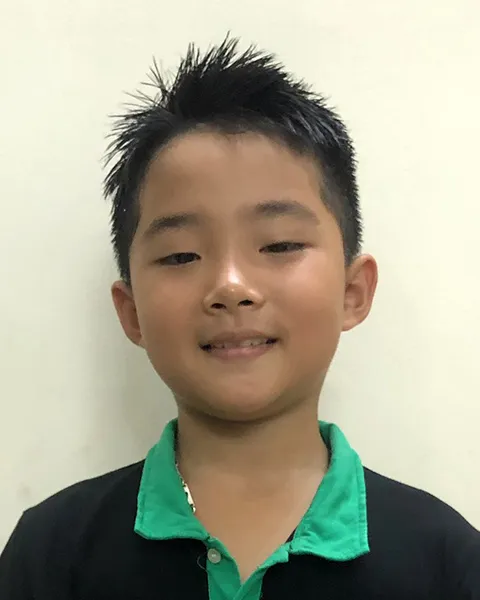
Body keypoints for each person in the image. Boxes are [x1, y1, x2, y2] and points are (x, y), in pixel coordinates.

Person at [0, 36, 478, 600]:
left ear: (353, 292)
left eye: (279, 245)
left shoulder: (448, 564)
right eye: (181, 255)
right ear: (131, 313)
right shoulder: (51, 554)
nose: (231, 286)